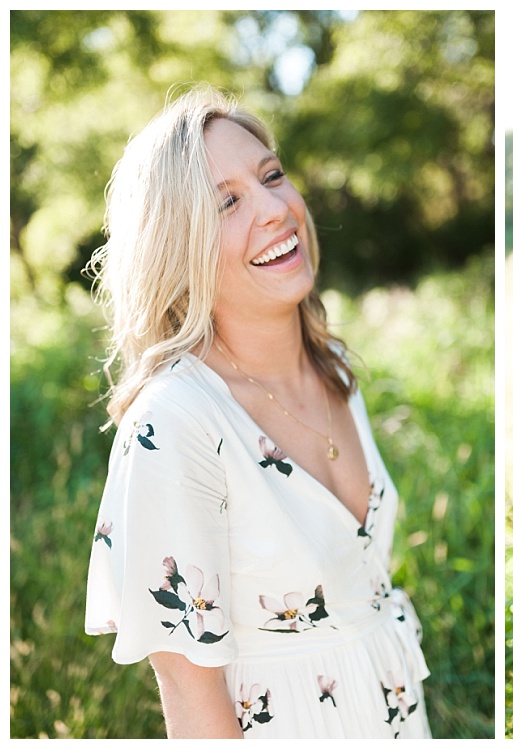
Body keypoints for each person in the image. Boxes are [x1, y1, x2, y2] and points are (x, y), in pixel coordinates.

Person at [84, 86, 431, 739]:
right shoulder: (178, 421)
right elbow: (189, 694)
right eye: (229, 202)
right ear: (176, 250)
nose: (276, 208)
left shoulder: (338, 375)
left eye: (272, 176)